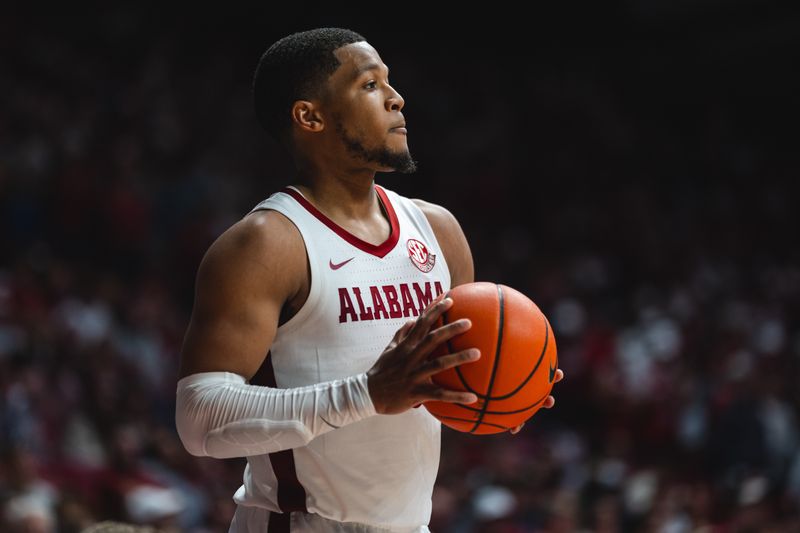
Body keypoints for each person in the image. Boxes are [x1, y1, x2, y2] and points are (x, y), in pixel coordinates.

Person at [174, 27, 564, 533]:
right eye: (369, 85)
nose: (397, 98)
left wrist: (503, 394)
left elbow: (442, 389)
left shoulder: (438, 231)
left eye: (389, 82)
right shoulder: (267, 244)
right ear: (309, 116)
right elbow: (199, 421)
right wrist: (367, 393)